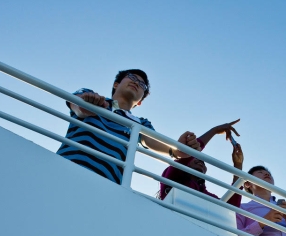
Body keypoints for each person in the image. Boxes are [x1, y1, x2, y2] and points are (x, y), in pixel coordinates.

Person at [57, 68, 233, 184]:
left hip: (108, 183)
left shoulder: (140, 123)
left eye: (143, 85)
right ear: (116, 84)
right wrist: (88, 103)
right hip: (67, 167)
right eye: (132, 78)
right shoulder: (93, 97)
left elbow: (156, 143)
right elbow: (77, 107)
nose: (137, 83)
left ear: (140, 101)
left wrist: (180, 150)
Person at [160, 123, 244, 207]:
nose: (200, 161)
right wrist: (214, 130)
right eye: (195, 159)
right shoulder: (172, 175)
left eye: (203, 162)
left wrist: (238, 165)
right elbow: (189, 152)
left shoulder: (207, 195)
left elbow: (231, 208)